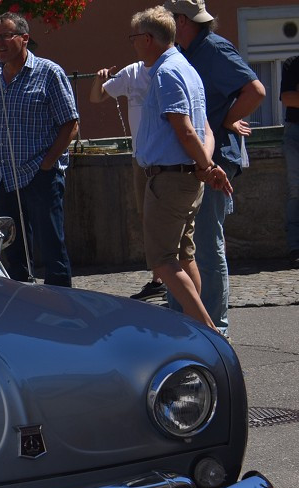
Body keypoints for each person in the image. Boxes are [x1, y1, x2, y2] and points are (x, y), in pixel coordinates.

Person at [163, 0, 266, 337]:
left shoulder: (214, 48)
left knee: (207, 245)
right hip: (192, 161)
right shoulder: (182, 51)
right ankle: (186, 321)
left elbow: (255, 90)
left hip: (215, 159)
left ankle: (216, 328)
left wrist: (226, 119)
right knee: (181, 248)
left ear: (181, 20)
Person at [130, 6, 230, 328]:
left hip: (170, 180)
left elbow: (186, 130)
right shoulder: (187, 68)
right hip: (186, 178)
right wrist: (207, 166)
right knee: (185, 258)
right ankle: (194, 330)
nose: (133, 45)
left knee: (162, 261)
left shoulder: (167, 72)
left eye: (134, 38)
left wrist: (208, 167)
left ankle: (207, 333)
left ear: (147, 39)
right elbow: (207, 131)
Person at [0, 12, 80, 287]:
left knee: (51, 248)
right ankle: (20, 306)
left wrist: (47, 163)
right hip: (4, 179)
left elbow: (70, 124)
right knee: (12, 252)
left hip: (39, 175)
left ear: (24, 38)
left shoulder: (48, 73)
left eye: (6, 36)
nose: (0, 43)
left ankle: (62, 309)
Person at [90, 59, 165, 301]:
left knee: (172, 218)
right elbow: (97, 97)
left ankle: (175, 276)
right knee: (147, 216)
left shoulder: (170, 68)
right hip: (140, 157)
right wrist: (99, 80)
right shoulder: (132, 71)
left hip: (168, 155)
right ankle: (159, 278)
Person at [284, 54, 299, 268]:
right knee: (296, 190)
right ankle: (295, 247)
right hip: (295, 132)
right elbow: (288, 98)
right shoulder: (291, 64)